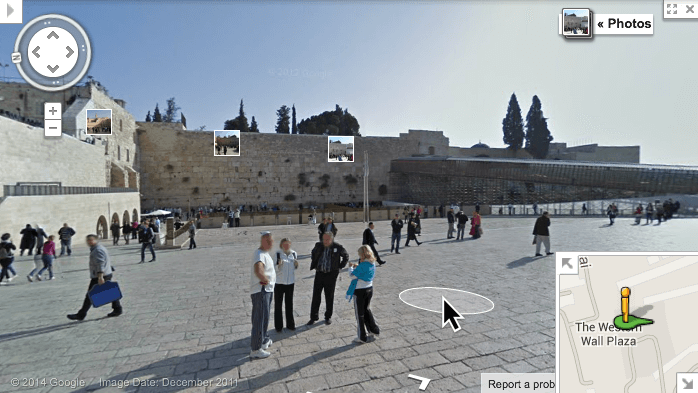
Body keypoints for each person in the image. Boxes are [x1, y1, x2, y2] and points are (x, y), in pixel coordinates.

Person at [67, 235, 122, 320]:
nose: (89, 242)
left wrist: (100, 276)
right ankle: (117, 309)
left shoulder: (98, 250)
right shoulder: (98, 248)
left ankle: (81, 314)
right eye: (88, 240)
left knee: (90, 294)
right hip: (106, 273)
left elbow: (100, 263)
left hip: (100, 275)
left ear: (96, 240)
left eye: (91, 240)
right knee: (109, 291)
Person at [308, 232, 349, 326]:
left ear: (332, 239)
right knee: (316, 296)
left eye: (327, 240)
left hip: (331, 275)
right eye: (324, 239)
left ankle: (328, 316)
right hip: (319, 273)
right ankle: (313, 317)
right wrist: (315, 262)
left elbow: (346, 256)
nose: (325, 241)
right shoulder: (318, 245)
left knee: (329, 296)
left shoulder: (337, 247)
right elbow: (313, 253)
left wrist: (339, 267)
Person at [250, 231, 276, 359]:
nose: (272, 244)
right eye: (270, 241)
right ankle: (255, 349)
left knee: (264, 316)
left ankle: (264, 339)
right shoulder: (259, 254)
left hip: (267, 290)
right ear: (264, 241)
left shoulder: (265, 254)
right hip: (261, 290)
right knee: (259, 319)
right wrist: (263, 278)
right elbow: (258, 268)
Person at [346, 245, 380, 344]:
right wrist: (358, 266)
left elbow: (352, 276)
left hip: (360, 291)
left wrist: (350, 268)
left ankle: (362, 336)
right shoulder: (372, 262)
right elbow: (364, 270)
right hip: (369, 288)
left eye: (360, 254)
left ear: (363, 255)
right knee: (367, 310)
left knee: (359, 314)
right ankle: (374, 330)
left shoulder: (363, 265)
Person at [274, 238, 298, 332]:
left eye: (288, 244)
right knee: (278, 305)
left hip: (290, 283)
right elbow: (273, 269)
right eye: (284, 244)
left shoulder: (294, 253)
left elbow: (294, 268)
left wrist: (296, 265)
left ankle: (290, 324)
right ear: (281, 245)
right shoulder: (277, 254)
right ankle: (278, 326)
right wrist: (278, 265)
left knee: (289, 304)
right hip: (279, 282)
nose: (286, 246)